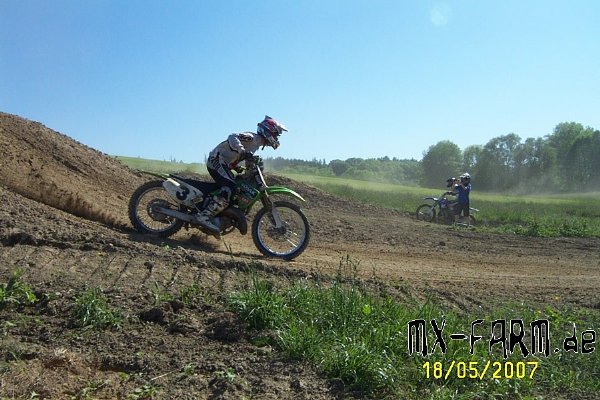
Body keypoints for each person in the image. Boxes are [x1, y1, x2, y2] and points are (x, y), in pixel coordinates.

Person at [195, 115, 288, 233]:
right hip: (216, 160)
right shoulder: (253, 138)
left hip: (222, 162)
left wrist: (238, 167)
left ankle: (218, 214)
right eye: (276, 135)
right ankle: (204, 216)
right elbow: (232, 136)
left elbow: (234, 156)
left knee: (236, 187)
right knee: (230, 187)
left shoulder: (256, 145)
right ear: (268, 131)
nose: (276, 138)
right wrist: (241, 150)